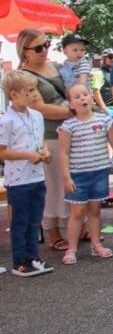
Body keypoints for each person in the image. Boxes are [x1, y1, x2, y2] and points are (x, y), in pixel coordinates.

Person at [17, 28, 71, 252]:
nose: (45, 50)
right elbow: (39, 108)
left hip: (70, 130)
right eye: (38, 47)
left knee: (71, 180)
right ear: (25, 51)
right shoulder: (24, 76)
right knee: (54, 184)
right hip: (49, 134)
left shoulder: (56, 66)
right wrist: (73, 111)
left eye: (46, 44)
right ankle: (53, 230)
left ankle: (77, 225)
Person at [0, 70, 53, 277]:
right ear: (13, 94)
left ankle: (33, 256)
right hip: (18, 180)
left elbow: (42, 141)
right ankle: (20, 260)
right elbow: (2, 151)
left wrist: (45, 152)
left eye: (34, 90)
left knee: (34, 219)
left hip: (37, 176)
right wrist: (26, 155)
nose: (34, 94)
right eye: (29, 91)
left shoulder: (38, 116)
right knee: (20, 221)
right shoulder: (6, 121)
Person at [57, 83, 113, 264]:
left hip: (99, 172)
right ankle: (72, 248)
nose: (83, 98)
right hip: (78, 175)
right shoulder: (68, 126)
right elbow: (63, 153)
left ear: (92, 97)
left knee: (95, 211)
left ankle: (96, 244)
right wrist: (66, 177)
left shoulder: (104, 120)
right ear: (70, 104)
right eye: (77, 96)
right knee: (77, 212)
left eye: (85, 94)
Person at [91, 48, 113, 114]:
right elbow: (96, 92)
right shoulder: (99, 73)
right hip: (106, 109)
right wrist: (104, 108)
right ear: (104, 59)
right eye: (110, 57)